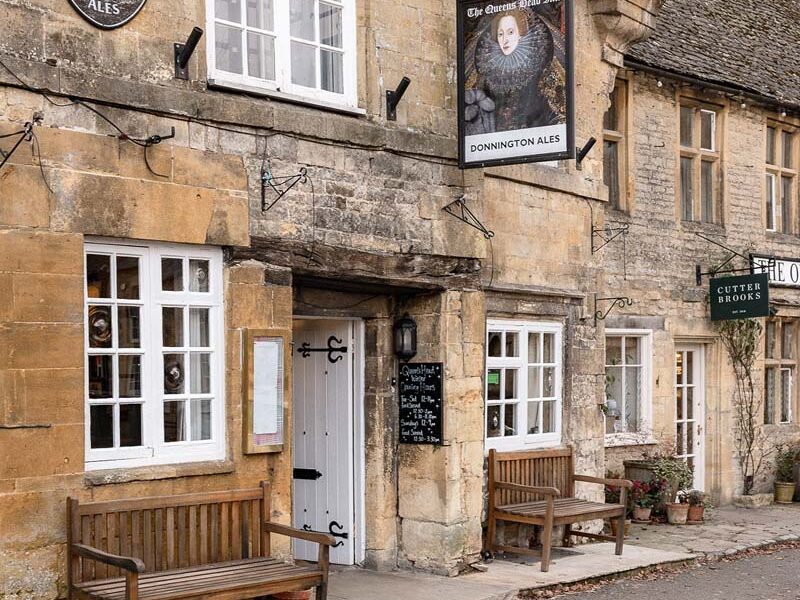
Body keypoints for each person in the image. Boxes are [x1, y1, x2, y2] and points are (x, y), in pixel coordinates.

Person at [465, 9, 557, 135]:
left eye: (511, 32)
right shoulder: (487, 75)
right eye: (500, 34)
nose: (505, 40)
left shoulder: (539, 71)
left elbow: (553, 112)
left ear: (521, 34)